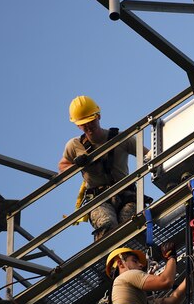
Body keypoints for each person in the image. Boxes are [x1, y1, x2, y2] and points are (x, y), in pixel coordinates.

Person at [59, 95, 145, 241]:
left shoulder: (119, 138)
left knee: (129, 225)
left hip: (126, 194)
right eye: (83, 124)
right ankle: (113, 260)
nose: (88, 127)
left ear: (98, 116)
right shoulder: (74, 146)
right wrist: (76, 165)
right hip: (99, 199)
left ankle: (135, 259)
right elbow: (62, 166)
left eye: (90, 121)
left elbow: (146, 153)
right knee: (107, 225)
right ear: (77, 125)